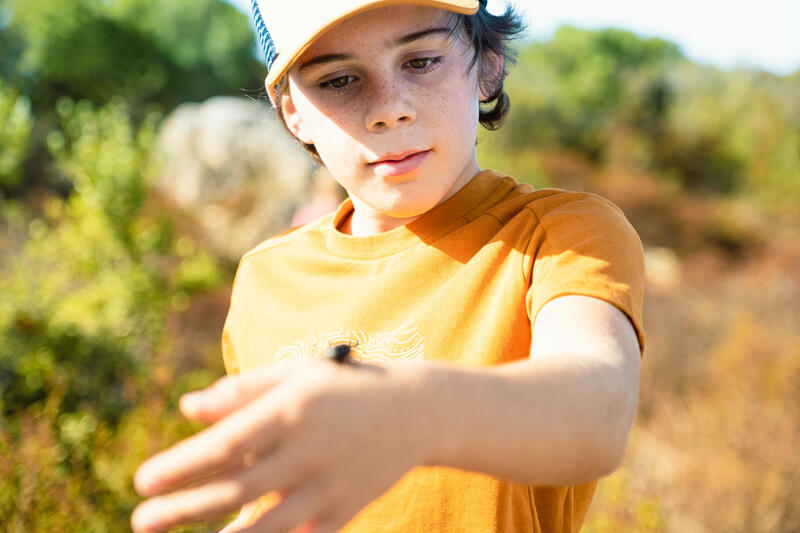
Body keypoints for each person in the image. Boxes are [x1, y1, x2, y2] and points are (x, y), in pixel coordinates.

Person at [131, 1, 645, 532]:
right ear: (292, 112)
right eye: (338, 80)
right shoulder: (266, 275)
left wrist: (413, 414)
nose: (388, 109)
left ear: (488, 61)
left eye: (421, 61)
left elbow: (597, 408)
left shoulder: (561, 235)